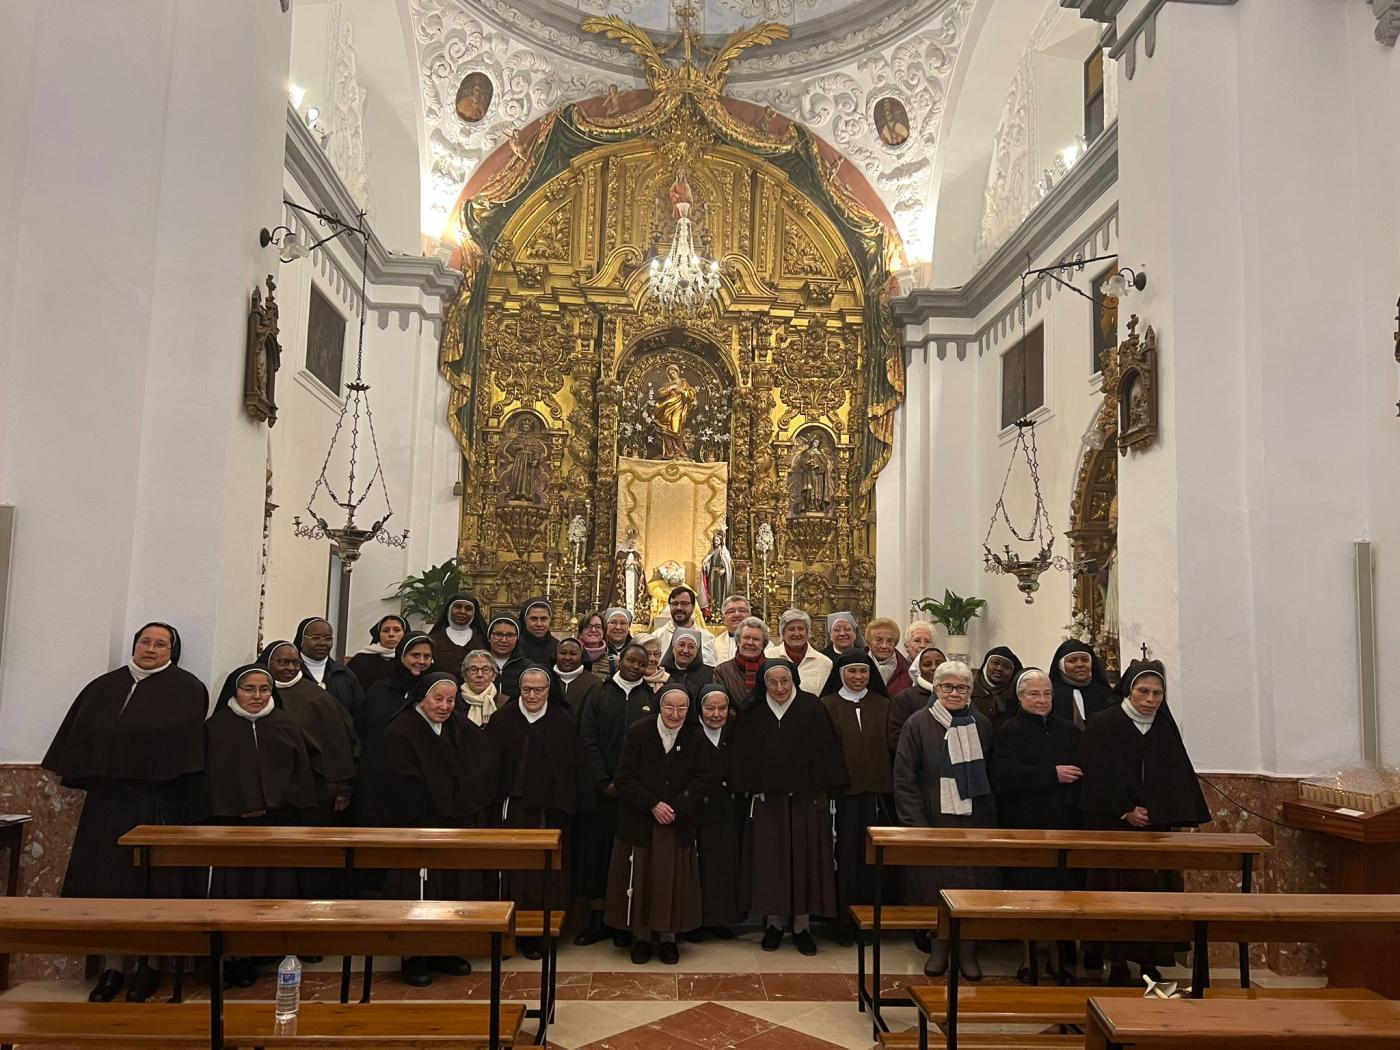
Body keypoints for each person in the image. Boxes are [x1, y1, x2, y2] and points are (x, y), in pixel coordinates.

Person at [43, 622, 207, 1003]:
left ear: (172, 651)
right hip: (107, 804)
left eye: (160, 644)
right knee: (106, 885)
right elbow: (83, 737)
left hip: (155, 802)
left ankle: (148, 967)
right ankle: (112, 967)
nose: (151, 649)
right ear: (135, 645)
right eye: (145, 641)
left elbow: (184, 751)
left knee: (151, 886)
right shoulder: (105, 686)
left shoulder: (186, 689)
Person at [1076, 660, 1210, 986]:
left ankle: (1150, 960)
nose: (1150, 699)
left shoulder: (1163, 727)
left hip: (1155, 830)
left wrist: (1170, 813)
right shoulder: (1104, 723)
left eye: (1157, 693)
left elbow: (1175, 776)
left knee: (1155, 895)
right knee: (1115, 895)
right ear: (1128, 690)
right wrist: (1124, 810)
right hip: (1114, 828)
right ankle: (1117, 961)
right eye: (1143, 691)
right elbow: (1093, 773)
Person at [367, 672, 500, 987]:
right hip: (418, 825)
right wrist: (442, 798)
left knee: (453, 886)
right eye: (437, 699)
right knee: (419, 890)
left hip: (454, 825)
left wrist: (464, 795)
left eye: (450, 700)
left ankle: (447, 949)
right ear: (421, 698)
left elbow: (484, 759)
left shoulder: (457, 725)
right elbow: (398, 783)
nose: (444, 706)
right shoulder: (402, 731)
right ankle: (414, 955)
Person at [197, 665, 316, 989]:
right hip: (230, 827)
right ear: (234, 691)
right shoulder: (216, 727)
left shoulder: (284, 723)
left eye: (264, 689)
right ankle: (230, 955)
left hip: (275, 825)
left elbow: (301, 776)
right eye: (249, 689)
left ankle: (260, 952)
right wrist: (235, 806)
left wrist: (274, 803)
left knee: (270, 890)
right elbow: (207, 778)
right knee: (233, 892)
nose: (257, 696)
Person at [729, 658, 847, 955]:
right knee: (770, 863)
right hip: (768, 802)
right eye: (772, 682)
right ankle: (773, 924)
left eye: (785, 681)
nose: (779, 688)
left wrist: (818, 789)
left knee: (805, 862)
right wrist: (752, 785)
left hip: (806, 801)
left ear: (794, 679)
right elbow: (741, 754)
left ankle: (802, 926)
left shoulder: (811, 707)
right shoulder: (753, 711)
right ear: (763, 684)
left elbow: (827, 752)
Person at [894, 659, 998, 982]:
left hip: (974, 820)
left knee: (972, 886)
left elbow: (992, 774)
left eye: (962, 688)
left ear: (970, 692)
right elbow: (905, 778)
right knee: (935, 888)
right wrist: (917, 825)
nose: (954, 693)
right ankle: (939, 946)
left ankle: (968, 949)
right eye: (947, 687)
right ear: (936, 689)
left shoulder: (982, 725)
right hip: (932, 818)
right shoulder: (917, 723)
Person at [605, 686, 710, 965]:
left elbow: (702, 778)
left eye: (682, 708)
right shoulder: (638, 732)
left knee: (670, 881)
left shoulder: (695, 736)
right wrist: (652, 804)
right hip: (640, 820)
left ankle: (668, 938)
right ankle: (641, 937)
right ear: (659, 707)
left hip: (677, 821)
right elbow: (624, 777)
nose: (675, 714)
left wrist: (676, 807)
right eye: (669, 707)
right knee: (642, 879)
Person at [991, 668, 1083, 985]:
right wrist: (1051, 773)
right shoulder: (1008, 730)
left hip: (1064, 824)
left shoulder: (1069, 730)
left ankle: (1058, 959)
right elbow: (1005, 775)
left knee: (1062, 894)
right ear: (1020, 698)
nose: (1041, 700)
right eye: (1034, 694)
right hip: (1025, 824)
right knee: (1029, 894)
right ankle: (1028, 958)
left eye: (1046, 694)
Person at [485, 666, 581, 960]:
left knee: (543, 872)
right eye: (526, 689)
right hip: (510, 809)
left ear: (549, 690)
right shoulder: (503, 719)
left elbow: (570, 768)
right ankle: (505, 931)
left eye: (538, 689)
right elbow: (490, 764)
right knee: (509, 870)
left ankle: (539, 933)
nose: (532, 695)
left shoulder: (562, 721)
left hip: (548, 811)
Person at [258, 640, 360, 897]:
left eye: (295, 663)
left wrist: (343, 787)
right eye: (283, 662)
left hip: (315, 793)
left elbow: (340, 742)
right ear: (268, 663)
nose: (290, 668)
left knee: (310, 860)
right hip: (271, 796)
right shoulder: (256, 695)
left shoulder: (318, 697)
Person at [576, 643, 655, 946]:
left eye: (642, 663)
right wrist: (602, 781)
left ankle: (622, 921)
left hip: (635, 795)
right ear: (620, 660)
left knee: (627, 858)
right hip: (601, 791)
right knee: (597, 856)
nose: (635, 667)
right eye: (631, 660)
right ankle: (597, 920)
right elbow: (587, 739)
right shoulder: (597, 693)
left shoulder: (651, 697)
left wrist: (634, 787)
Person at [818, 651, 894, 946]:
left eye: (863, 671)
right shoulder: (827, 705)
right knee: (845, 858)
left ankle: (870, 922)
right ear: (840, 674)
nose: (858, 677)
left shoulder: (883, 705)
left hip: (875, 796)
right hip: (842, 796)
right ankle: (842, 922)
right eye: (852, 671)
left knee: (871, 861)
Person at [693, 682, 742, 939]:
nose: (716, 714)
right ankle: (694, 921)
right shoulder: (690, 734)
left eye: (722, 708)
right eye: (710, 709)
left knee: (721, 866)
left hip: (727, 810)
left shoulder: (735, 731)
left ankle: (716, 919)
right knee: (696, 866)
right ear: (700, 709)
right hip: (696, 811)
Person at [356, 631, 434, 780]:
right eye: (415, 655)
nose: (422, 661)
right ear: (401, 656)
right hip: (377, 773)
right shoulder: (378, 690)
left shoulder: (434, 692)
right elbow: (362, 731)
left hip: (420, 776)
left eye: (427, 656)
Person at [294, 616, 365, 716]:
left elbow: (359, 713)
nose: (322, 643)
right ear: (301, 640)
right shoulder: (290, 673)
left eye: (328, 638)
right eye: (315, 638)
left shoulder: (345, 675)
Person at [888, 646, 946, 751]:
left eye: (939, 663)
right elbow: (897, 739)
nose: (934, 668)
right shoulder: (904, 698)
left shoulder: (958, 696)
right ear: (919, 670)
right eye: (927, 664)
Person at [764, 608, 833, 697]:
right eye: (791, 629)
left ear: (807, 632)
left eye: (801, 629)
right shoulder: (768, 656)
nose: (796, 634)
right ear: (783, 633)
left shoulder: (824, 662)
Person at [1049, 639, 1115, 729]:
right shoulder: (1051, 693)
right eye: (1072, 661)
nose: (1080, 665)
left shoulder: (1103, 692)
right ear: (1061, 665)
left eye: (1085, 660)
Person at [648, 585, 719, 665]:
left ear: (693, 607)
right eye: (674, 604)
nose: (679, 608)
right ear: (669, 606)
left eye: (684, 604)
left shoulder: (707, 638)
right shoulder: (656, 637)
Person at [713, 616, 769, 707]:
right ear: (738, 641)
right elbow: (721, 705)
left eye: (756, 639)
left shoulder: (771, 669)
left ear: (764, 644)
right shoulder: (722, 671)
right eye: (746, 637)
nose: (750, 643)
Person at [428, 593, 488, 674]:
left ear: (474, 613)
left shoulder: (482, 638)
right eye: (458, 607)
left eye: (468, 609)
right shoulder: (435, 639)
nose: (463, 611)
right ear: (449, 609)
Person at [346, 614, 408, 691]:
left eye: (397, 630)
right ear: (379, 635)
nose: (391, 634)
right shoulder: (361, 660)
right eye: (385, 630)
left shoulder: (411, 660)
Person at [970, 645, 1023, 732]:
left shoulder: (1016, 697)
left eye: (1006, 667)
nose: (999, 669)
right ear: (986, 665)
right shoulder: (969, 691)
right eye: (995, 663)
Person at [552, 636, 602, 722]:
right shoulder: (547, 679)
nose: (567, 658)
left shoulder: (594, 683)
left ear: (581, 657)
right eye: (563, 653)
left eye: (573, 654)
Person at [659, 627, 713, 697]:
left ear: (696, 652)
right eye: (681, 645)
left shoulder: (709, 674)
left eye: (691, 647)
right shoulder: (661, 673)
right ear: (673, 648)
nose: (685, 650)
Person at [484, 615, 529, 699]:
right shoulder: (477, 663)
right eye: (498, 634)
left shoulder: (527, 667)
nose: (503, 640)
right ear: (489, 637)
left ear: (517, 638)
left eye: (510, 635)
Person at [866, 617, 913, 695]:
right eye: (878, 640)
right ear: (869, 642)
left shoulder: (908, 670)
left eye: (890, 641)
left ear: (895, 643)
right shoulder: (858, 665)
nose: (884, 646)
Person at [458, 649, 502, 726]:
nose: (480, 675)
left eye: (485, 669)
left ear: (493, 675)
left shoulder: (504, 703)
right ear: (465, 676)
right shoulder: (454, 703)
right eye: (473, 669)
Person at [699, 531, 733, 618]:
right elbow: (709, 563)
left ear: (721, 541)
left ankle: (719, 611)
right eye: (714, 540)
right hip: (712, 575)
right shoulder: (712, 552)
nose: (715, 542)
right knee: (711, 592)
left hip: (720, 576)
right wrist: (705, 566)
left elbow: (729, 565)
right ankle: (712, 612)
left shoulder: (724, 552)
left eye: (717, 540)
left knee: (719, 593)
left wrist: (724, 570)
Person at [517, 597, 559, 666]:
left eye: (543, 619)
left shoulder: (558, 648)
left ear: (550, 620)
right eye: (534, 618)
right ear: (525, 620)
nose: (539, 624)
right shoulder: (514, 646)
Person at [712, 594, 752, 664]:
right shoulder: (712, 646)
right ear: (723, 619)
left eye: (742, 610)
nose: (737, 615)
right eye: (731, 611)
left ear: (750, 616)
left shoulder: (764, 644)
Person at [599, 607, 635, 678]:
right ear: (605, 626)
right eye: (613, 622)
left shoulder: (636, 648)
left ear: (629, 626)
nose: (618, 627)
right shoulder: (597, 649)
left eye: (623, 623)